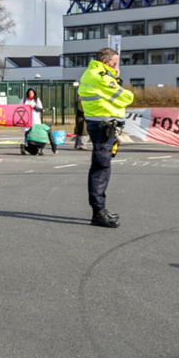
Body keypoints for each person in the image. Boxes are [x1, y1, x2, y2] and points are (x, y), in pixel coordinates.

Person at [79, 48, 134, 228]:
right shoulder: (100, 77)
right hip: (103, 125)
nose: (116, 66)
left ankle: (100, 209)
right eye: (115, 63)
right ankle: (98, 211)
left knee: (103, 166)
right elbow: (126, 97)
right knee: (101, 167)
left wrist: (115, 80)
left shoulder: (95, 74)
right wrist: (116, 81)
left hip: (103, 124)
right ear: (105, 61)